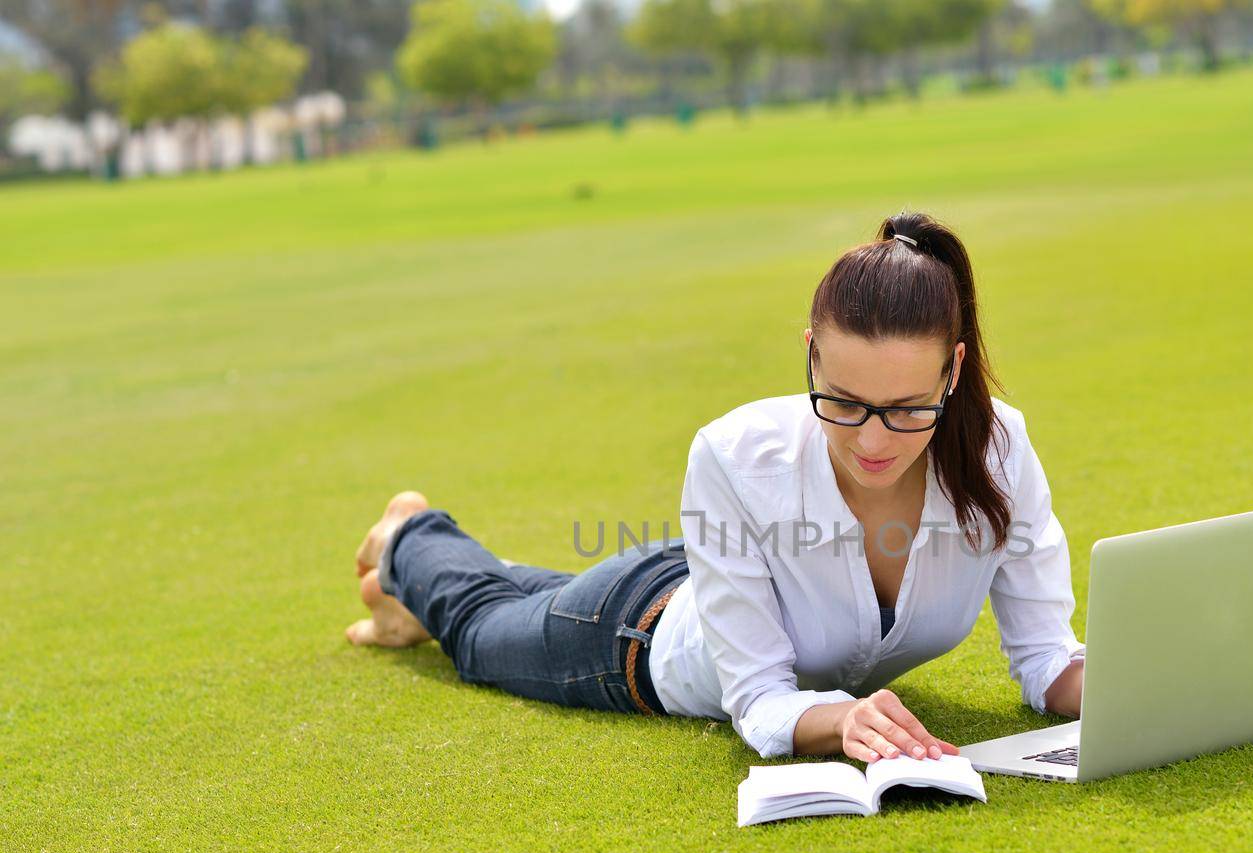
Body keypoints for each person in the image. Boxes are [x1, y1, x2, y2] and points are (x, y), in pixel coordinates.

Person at [346, 211, 1086, 764]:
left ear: (953, 371)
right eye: (845, 403)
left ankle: (404, 603)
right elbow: (760, 698)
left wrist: (1128, 687)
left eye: (907, 410)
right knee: (481, 632)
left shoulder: (999, 451)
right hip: (639, 633)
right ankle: (409, 537)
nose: (872, 441)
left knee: (522, 599)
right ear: (811, 358)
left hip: (721, 576)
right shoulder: (734, 456)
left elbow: (1048, 658)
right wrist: (839, 719)